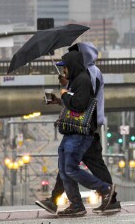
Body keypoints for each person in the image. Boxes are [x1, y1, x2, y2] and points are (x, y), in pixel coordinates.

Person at [36, 42, 121, 215]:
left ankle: (106, 197)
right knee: (70, 164)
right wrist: (63, 93)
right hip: (81, 125)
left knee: (78, 165)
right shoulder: (84, 73)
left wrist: (66, 90)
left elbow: (83, 101)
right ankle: (62, 200)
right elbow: (76, 99)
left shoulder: (90, 73)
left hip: (87, 126)